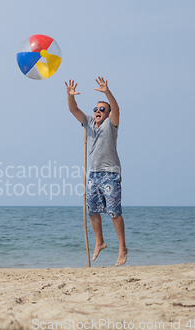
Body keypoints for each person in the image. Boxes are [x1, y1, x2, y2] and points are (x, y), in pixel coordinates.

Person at [65, 76, 128, 266]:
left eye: (102, 109)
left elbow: (116, 109)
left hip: (110, 173)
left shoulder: (111, 124)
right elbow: (73, 109)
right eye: (96, 109)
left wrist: (107, 92)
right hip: (93, 174)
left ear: (108, 114)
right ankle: (99, 242)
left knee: (113, 212)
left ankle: (122, 248)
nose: (98, 111)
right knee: (92, 209)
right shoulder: (89, 123)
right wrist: (70, 96)